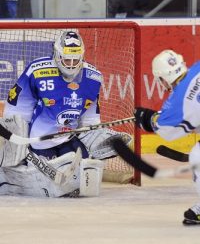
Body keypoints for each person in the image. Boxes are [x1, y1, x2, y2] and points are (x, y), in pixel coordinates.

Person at [0, 29, 131, 198]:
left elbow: (90, 116)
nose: (70, 64)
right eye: (66, 59)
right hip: (40, 142)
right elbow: (18, 107)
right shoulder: (37, 70)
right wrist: (16, 142)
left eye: (75, 60)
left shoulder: (93, 77)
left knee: (86, 175)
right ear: (56, 54)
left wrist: (94, 137)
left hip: (69, 138)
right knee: (43, 181)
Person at [134, 49, 200, 225]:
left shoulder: (179, 100)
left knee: (197, 155)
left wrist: (146, 119)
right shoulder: (197, 68)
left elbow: (167, 131)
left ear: (162, 79)